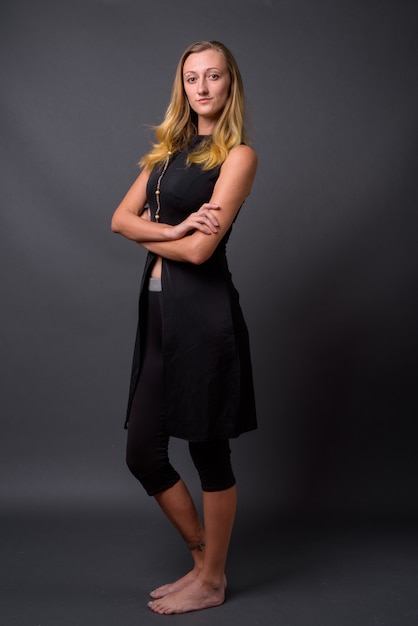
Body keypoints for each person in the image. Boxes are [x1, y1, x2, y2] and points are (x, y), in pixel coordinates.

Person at [111, 40, 257, 615]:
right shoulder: (165, 154)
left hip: (204, 319)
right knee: (143, 452)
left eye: (213, 76)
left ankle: (212, 579)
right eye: (192, 77)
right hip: (157, 318)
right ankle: (203, 563)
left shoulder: (237, 155)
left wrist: (158, 229)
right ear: (183, 87)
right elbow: (118, 220)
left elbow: (203, 253)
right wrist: (171, 231)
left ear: (229, 84)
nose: (201, 86)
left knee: (207, 448)